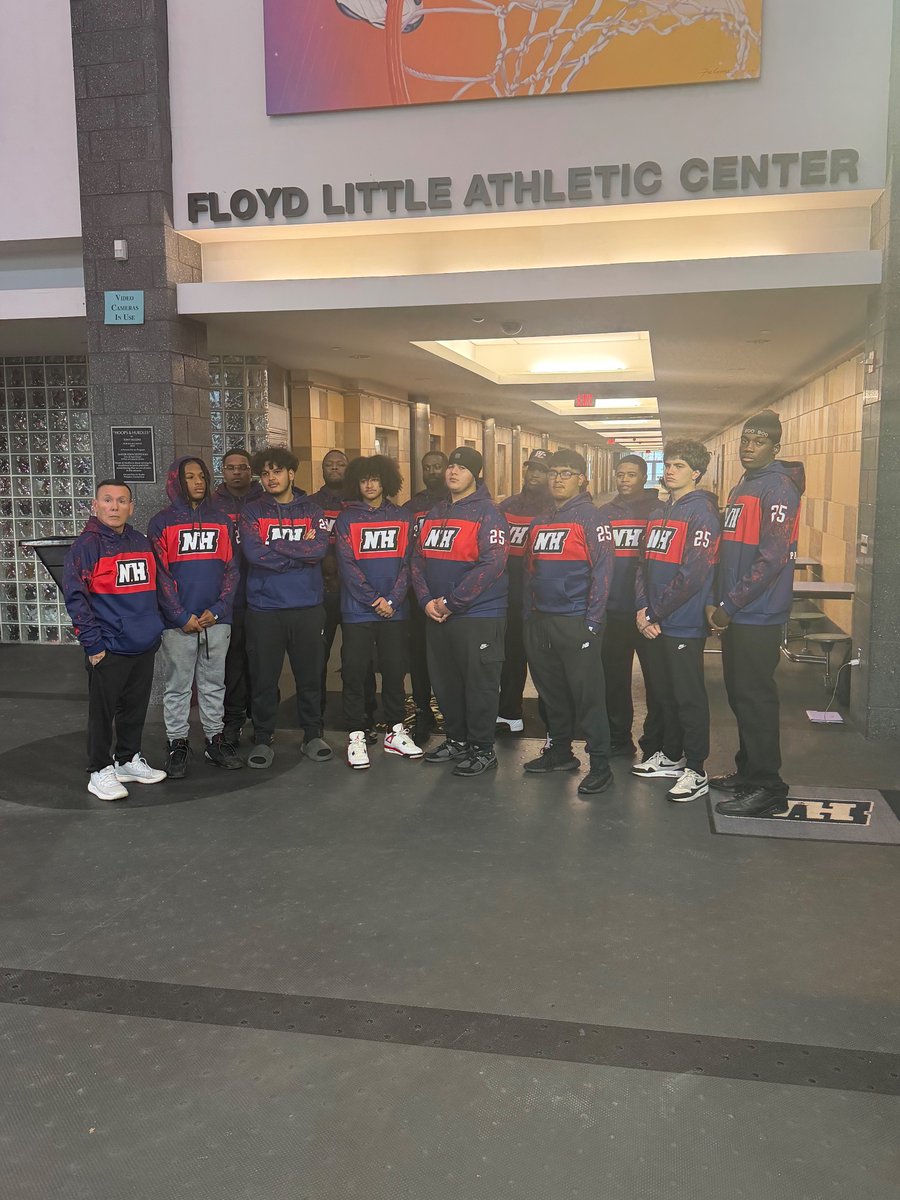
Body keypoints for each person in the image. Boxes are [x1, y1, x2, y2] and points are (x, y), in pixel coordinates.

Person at [709, 410, 806, 818]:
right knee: (739, 694)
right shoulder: (743, 485)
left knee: (756, 699)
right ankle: (748, 771)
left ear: (776, 447)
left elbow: (771, 558)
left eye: (759, 440)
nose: (749, 447)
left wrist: (730, 605)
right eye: (745, 440)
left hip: (757, 613)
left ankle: (769, 787)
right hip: (737, 610)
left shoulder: (779, 488)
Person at [63, 479, 167, 800]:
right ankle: (99, 770)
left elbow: (155, 589)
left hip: (142, 644)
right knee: (102, 712)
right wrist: (93, 645)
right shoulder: (85, 547)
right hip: (108, 647)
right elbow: (76, 598)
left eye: (122, 501)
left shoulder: (140, 542)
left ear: (131, 507)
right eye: (107, 500)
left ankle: (127, 759)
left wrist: (155, 629)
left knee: (134, 708)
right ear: (95, 506)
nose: (114, 506)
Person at [521, 449, 615, 795]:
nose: (558, 479)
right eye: (553, 473)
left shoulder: (592, 518)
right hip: (541, 622)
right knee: (551, 694)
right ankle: (560, 752)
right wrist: (529, 617)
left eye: (566, 473)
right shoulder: (541, 520)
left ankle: (601, 765)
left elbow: (604, 572)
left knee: (588, 696)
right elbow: (529, 571)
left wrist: (591, 621)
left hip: (576, 621)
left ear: (582, 479)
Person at [411, 446, 508, 776]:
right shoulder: (435, 512)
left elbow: (492, 564)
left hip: (478, 615)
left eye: (462, 468)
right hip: (437, 614)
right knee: (446, 682)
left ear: (475, 475)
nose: (452, 472)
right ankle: (456, 740)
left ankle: (482, 748)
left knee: (479, 683)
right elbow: (417, 560)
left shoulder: (488, 513)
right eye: (451, 466)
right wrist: (426, 600)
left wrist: (452, 602)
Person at [633, 440, 720, 802]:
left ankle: (696, 768)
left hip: (681, 623)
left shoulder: (702, 514)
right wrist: (642, 608)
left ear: (697, 472)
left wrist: (656, 611)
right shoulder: (658, 514)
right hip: (654, 621)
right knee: (663, 694)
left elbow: (694, 574)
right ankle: (670, 754)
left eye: (680, 465)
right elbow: (642, 564)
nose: (670, 471)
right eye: (668, 464)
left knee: (688, 697)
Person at [148, 456, 241, 778]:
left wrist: (217, 609)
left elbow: (232, 569)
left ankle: (215, 740)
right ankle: (177, 743)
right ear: (177, 480)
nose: (198, 482)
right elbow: (160, 575)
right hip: (179, 624)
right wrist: (179, 615)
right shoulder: (161, 523)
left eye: (202, 476)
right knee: (177, 687)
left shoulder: (221, 520)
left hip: (216, 620)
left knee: (214, 684)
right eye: (190, 477)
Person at [239, 446, 332, 767]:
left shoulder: (313, 510)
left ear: (291, 473)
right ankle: (263, 738)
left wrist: (273, 545)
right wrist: (297, 550)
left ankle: (312, 734)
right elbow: (254, 554)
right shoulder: (252, 511)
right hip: (265, 609)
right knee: (264, 678)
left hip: (307, 607)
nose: (270, 478)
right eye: (264, 473)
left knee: (310, 676)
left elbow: (318, 549)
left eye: (276, 471)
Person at [335, 455, 423, 768]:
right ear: (356, 484)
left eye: (375, 478)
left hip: (395, 612)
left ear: (385, 481)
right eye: (363, 480)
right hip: (358, 612)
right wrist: (375, 600)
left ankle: (395, 731)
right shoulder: (346, 520)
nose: (370, 485)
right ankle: (356, 733)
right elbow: (347, 565)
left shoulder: (404, 517)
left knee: (395, 670)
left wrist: (394, 600)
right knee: (355, 672)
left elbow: (409, 563)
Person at [596, 455, 662, 758]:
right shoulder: (604, 514)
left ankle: (655, 742)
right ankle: (618, 736)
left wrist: (651, 608)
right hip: (613, 610)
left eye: (631, 475)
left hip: (647, 612)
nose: (624, 480)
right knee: (613, 678)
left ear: (644, 477)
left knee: (656, 679)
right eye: (620, 474)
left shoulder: (658, 512)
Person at [497, 448, 552, 734]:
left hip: (541, 601)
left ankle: (553, 725)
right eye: (532, 468)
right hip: (508, 598)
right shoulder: (506, 507)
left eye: (542, 470)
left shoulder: (555, 510)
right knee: (511, 658)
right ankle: (508, 712)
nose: (534, 474)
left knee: (545, 663)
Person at [215, 448, 265, 745]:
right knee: (231, 663)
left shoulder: (265, 501)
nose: (237, 472)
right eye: (231, 467)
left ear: (251, 471)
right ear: (223, 471)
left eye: (243, 467)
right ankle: (232, 720)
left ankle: (262, 720)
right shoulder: (212, 505)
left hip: (261, 594)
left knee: (261, 661)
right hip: (227, 599)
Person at [403, 449, 448, 744]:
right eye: (426, 467)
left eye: (437, 466)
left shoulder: (459, 503)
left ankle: (454, 712)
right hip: (417, 595)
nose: (432, 471)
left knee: (449, 659)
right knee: (418, 657)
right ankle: (422, 711)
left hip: (449, 595)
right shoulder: (411, 507)